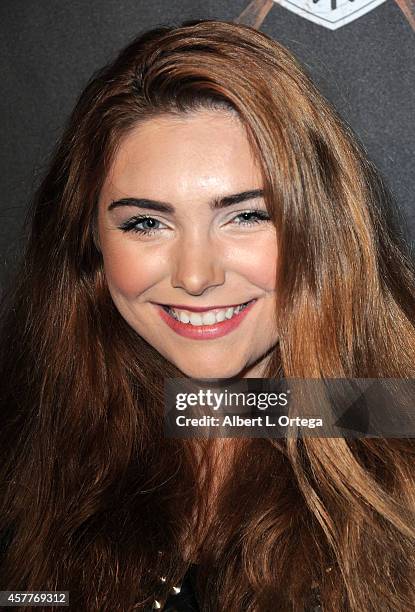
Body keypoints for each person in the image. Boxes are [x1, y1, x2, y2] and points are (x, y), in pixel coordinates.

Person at [0, 18, 414, 612]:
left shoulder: (386, 421)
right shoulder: (40, 444)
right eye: (146, 223)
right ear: (90, 244)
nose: (195, 276)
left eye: (245, 215)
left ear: (321, 229)